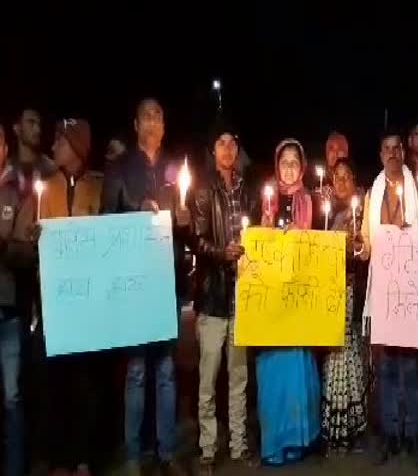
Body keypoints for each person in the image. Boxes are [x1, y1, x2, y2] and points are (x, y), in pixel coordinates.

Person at [101, 98, 189, 476]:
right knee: (137, 369)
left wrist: (185, 218)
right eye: (147, 116)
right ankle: (134, 456)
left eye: (159, 115)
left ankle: (166, 452)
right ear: (135, 124)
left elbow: (185, 226)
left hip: (167, 280)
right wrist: (137, 214)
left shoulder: (174, 168)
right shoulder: (119, 169)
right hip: (135, 283)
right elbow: (106, 222)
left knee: (166, 368)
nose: (154, 122)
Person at [19, 119, 103, 476]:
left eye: (61, 142)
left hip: (87, 310)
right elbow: (19, 247)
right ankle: (56, 459)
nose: (54, 147)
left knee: (84, 385)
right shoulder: (45, 189)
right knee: (54, 384)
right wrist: (32, 240)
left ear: (77, 148)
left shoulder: (98, 187)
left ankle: (82, 457)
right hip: (52, 308)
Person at [188, 122, 254, 474]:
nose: (227, 149)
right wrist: (220, 252)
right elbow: (196, 240)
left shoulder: (247, 191)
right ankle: (208, 449)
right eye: (221, 142)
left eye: (232, 142)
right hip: (213, 298)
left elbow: (257, 232)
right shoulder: (201, 190)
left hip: (242, 298)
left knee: (238, 377)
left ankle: (239, 446)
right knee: (208, 380)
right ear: (212, 150)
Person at [359, 130, 418, 465]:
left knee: (411, 366)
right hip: (383, 286)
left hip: (411, 283)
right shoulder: (373, 192)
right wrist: (362, 247)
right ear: (380, 154)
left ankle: (413, 434)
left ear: (403, 151)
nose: (392, 153)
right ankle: (389, 433)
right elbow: (367, 241)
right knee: (386, 367)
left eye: (397, 148)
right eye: (386, 149)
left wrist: (409, 236)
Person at [257, 138, 321, 465]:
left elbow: (315, 245)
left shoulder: (308, 199)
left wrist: (301, 235)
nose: (290, 167)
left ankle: (298, 438)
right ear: (276, 164)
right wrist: (266, 232)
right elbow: (253, 241)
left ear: (303, 166)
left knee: (296, 368)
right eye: (285, 161)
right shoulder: (265, 198)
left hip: (297, 297)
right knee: (273, 371)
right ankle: (274, 442)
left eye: (296, 161)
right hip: (270, 300)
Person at [321, 157, 368, 454]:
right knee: (334, 356)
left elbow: (364, 252)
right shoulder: (324, 212)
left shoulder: (360, 213)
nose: (341, 181)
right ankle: (333, 428)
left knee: (349, 355)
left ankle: (353, 426)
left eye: (346, 176)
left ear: (354, 181)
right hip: (328, 293)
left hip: (352, 291)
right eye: (336, 176)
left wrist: (358, 245)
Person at [0, 124, 34, 476]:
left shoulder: (16, 192)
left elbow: (26, 251)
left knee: (12, 396)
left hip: (7, 309)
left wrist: (5, 246)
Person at [12, 108, 56, 197]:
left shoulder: (52, 170)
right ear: (17, 128)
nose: (38, 130)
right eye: (31, 122)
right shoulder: (6, 171)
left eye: (39, 124)